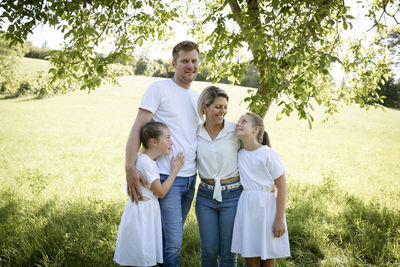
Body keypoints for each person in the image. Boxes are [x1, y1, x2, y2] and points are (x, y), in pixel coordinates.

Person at [124, 40, 200, 266]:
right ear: (174, 63)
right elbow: (138, 127)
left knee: (168, 236)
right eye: (184, 61)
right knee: (173, 242)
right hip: (166, 176)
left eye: (194, 61)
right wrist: (130, 166)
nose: (190, 65)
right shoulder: (159, 89)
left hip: (189, 178)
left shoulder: (197, 98)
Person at [114, 121, 185, 266]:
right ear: (154, 142)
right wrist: (175, 171)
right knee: (137, 257)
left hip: (145, 212)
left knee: (138, 256)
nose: (171, 142)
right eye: (167, 138)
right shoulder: (146, 163)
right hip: (142, 215)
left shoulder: (146, 161)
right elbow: (161, 192)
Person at [231, 112, 290, 267]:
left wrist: (279, 219)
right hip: (247, 208)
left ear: (255, 129)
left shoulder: (268, 154)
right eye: (238, 121)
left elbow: (282, 187)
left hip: (268, 209)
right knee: (251, 258)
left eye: (243, 121)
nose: (238, 123)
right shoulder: (240, 153)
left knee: (268, 259)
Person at [196, 86, 242, 267]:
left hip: (233, 195)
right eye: (218, 107)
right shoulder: (196, 132)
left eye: (225, 107)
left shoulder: (235, 130)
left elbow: (257, 149)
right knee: (208, 251)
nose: (223, 111)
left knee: (229, 253)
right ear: (204, 108)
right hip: (205, 197)